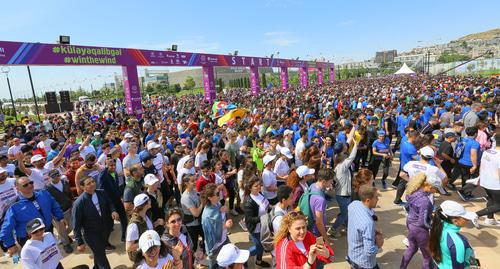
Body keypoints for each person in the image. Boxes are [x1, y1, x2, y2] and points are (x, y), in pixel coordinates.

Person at [0, 176, 65, 255]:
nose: (30, 185)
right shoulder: (14, 206)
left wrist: (60, 217)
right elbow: (6, 228)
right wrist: (10, 244)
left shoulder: (43, 193)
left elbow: (54, 205)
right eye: (25, 185)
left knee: (51, 255)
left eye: (31, 182)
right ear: (17, 188)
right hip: (28, 238)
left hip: (46, 231)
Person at [72, 176, 120, 269]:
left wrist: (113, 211)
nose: (92, 184)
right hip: (92, 234)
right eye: (88, 183)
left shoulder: (102, 193)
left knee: (99, 252)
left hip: (105, 229)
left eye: (93, 181)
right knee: (102, 257)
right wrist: (79, 242)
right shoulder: (79, 203)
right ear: (82, 187)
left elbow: (109, 203)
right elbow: (76, 225)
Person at [400, 173, 443, 269]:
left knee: (412, 248)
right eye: (435, 189)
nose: (435, 192)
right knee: (428, 256)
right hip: (419, 229)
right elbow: (422, 222)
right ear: (429, 186)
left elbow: (407, 207)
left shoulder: (413, 192)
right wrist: (433, 226)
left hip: (410, 223)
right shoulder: (425, 201)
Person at [429, 200, 479, 268]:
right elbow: (461, 265)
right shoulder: (458, 243)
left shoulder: (437, 228)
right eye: (465, 218)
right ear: (455, 221)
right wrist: (476, 266)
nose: (468, 220)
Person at [347, 185, 384, 269]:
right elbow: (369, 251)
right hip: (364, 263)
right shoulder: (368, 223)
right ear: (368, 200)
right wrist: (379, 245)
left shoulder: (353, 204)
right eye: (376, 197)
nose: (378, 199)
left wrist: (373, 230)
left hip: (352, 255)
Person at [329, 140, 358, 238]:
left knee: (346, 212)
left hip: (344, 194)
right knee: (344, 214)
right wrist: (356, 145)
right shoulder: (342, 166)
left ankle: (346, 226)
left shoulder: (339, 162)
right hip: (343, 195)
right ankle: (333, 230)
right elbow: (352, 157)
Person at [96, 157, 129, 242]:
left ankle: (124, 237)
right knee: (109, 224)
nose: (113, 167)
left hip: (117, 199)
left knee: (124, 218)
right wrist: (111, 208)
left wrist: (120, 197)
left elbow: (116, 187)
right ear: (106, 165)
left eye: (114, 165)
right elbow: (101, 191)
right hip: (109, 203)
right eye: (111, 165)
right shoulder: (103, 175)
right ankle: (105, 243)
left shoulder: (114, 172)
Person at [201, 183, 233, 269]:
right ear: (210, 197)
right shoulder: (207, 215)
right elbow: (210, 233)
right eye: (217, 194)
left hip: (224, 239)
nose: (220, 194)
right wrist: (225, 226)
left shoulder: (217, 203)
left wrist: (224, 210)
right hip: (215, 247)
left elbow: (221, 217)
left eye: (219, 192)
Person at [243, 176, 271, 267]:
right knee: (260, 247)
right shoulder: (248, 202)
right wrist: (265, 217)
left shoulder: (260, 194)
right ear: (250, 188)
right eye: (256, 186)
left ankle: (258, 261)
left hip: (263, 226)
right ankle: (243, 257)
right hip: (256, 229)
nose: (259, 187)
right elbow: (250, 219)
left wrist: (272, 207)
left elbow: (266, 205)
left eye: (259, 185)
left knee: (262, 246)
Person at [45, 169, 74, 254]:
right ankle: (66, 244)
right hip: (57, 212)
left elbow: (70, 193)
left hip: (68, 208)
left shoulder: (65, 182)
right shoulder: (47, 188)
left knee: (72, 225)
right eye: (53, 176)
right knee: (61, 229)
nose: (56, 177)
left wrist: (72, 202)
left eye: (57, 175)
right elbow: (48, 202)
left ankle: (63, 237)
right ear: (49, 178)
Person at [309, 168, 335, 254]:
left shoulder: (312, 186)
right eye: (330, 182)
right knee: (319, 254)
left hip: (310, 225)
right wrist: (325, 238)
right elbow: (319, 222)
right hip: (316, 231)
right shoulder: (320, 199)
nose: (331, 183)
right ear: (324, 181)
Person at [452, 127, 480, 201]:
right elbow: (473, 155)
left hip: (461, 162)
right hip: (470, 164)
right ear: (475, 134)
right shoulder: (475, 143)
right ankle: (463, 191)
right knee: (476, 179)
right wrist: (474, 166)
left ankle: (465, 194)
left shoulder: (463, 140)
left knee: (465, 178)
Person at [126, 193, 155, 261]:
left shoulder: (145, 215)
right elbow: (128, 247)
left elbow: (146, 228)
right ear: (145, 205)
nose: (150, 201)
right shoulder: (133, 225)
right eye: (149, 200)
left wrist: (156, 224)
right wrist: (146, 241)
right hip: (141, 256)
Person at [180, 174, 205, 253]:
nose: (195, 182)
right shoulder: (186, 197)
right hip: (191, 226)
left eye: (195, 180)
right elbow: (196, 213)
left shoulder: (194, 192)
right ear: (186, 183)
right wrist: (202, 203)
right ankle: (192, 263)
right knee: (193, 246)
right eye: (192, 181)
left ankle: (202, 251)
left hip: (199, 222)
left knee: (206, 237)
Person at [475, 148, 500, 225]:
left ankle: (490, 218)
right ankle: (475, 215)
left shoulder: (487, 151)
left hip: (486, 181)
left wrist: (480, 177)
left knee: (491, 199)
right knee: (498, 206)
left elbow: (482, 165)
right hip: (496, 184)